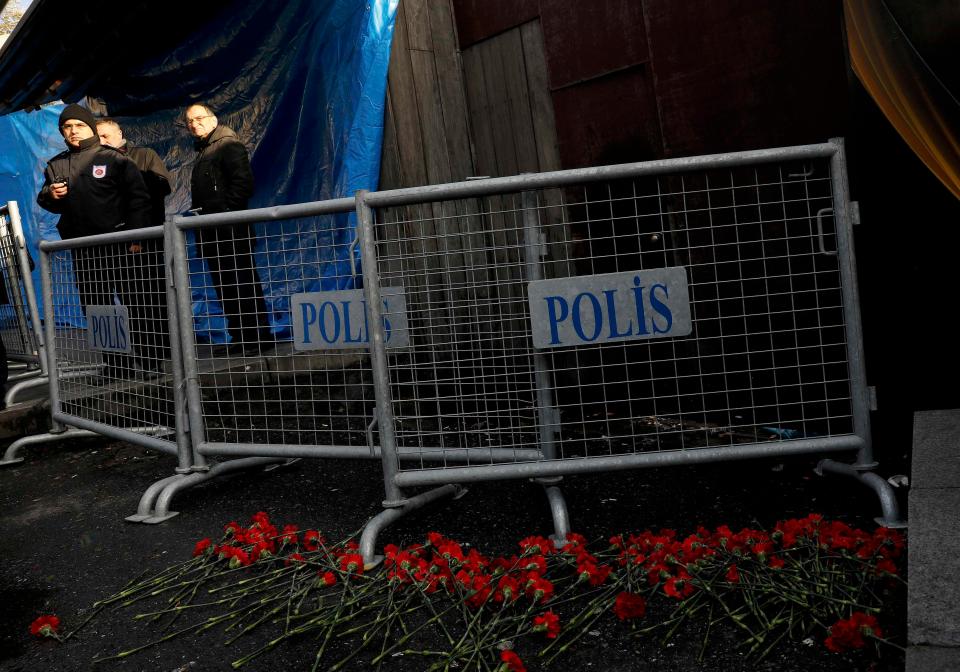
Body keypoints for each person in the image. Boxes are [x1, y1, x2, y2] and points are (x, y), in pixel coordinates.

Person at [36, 103, 151, 375]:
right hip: (84, 248)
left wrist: (137, 236)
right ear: (62, 132)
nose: (73, 131)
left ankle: (150, 362)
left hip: (122, 243)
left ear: (90, 127)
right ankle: (117, 367)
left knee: (136, 303)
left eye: (79, 125)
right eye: (67, 127)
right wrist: (50, 195)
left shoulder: (114, 158)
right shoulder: (56, 165)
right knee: (98, 307)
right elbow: (44, 199)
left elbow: (139, 198)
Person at [183, 102, 271, 354]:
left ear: (213, 119)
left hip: (229, 230)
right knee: (225, 287)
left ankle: (258, 337)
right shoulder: (205, 149)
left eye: (199, 118)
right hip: (212, 232)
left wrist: (224, 215)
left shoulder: (227, 144)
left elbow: (243, 184)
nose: (194, 124)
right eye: (189, 121)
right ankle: (240, 336)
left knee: (243, 283)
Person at [96, 118, 173, 367]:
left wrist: (129, 176)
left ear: (120, 134)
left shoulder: (144, 155)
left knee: (150, 296)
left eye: (106, 136)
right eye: (98, 137)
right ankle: (121, 360)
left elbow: (162, 186)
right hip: (112, 240)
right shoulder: (96, 162)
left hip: (146, 237)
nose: (102, 141)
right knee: (121, 299)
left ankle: (160, 350)